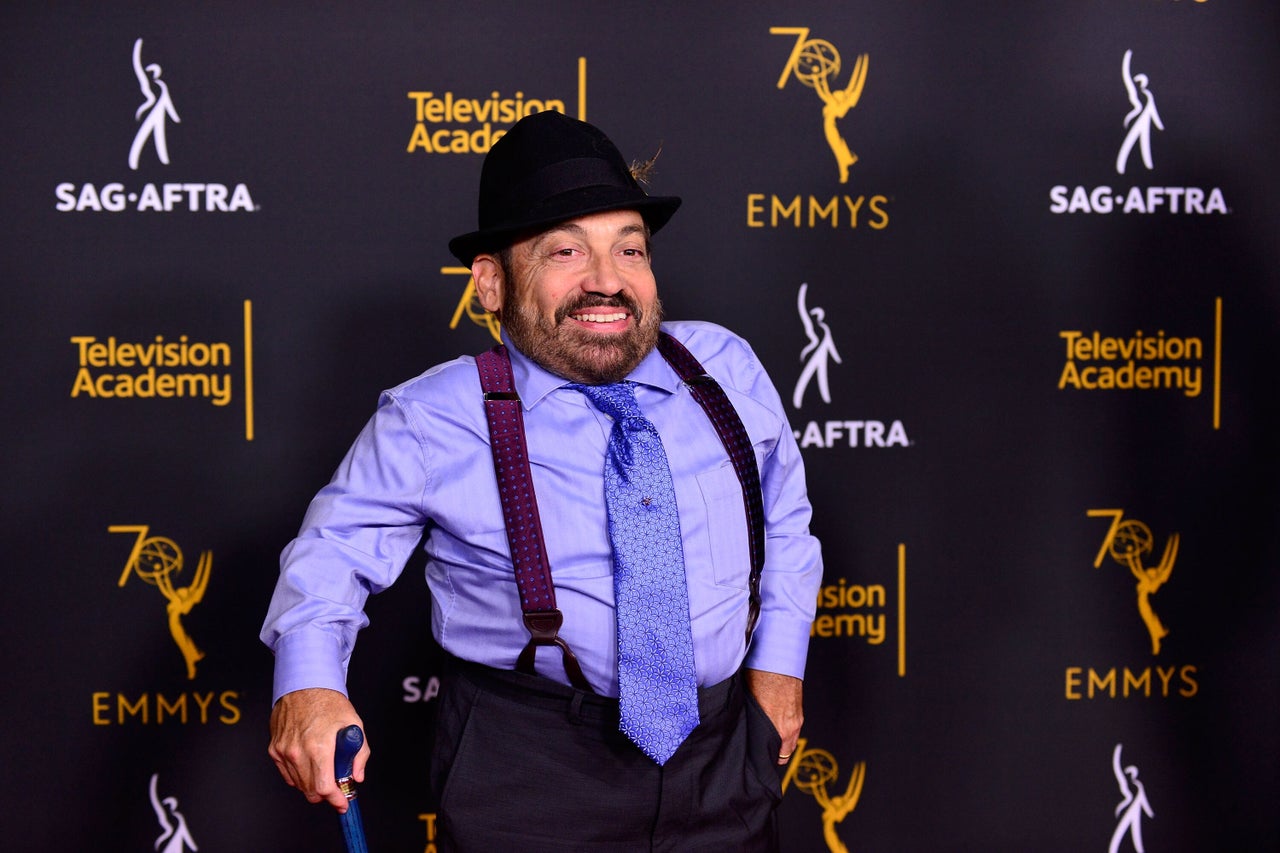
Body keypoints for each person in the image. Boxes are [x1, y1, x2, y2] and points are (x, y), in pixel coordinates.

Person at [262, 110, 824, 851]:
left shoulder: (723, 367)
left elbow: (784, 514)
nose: (607, 281)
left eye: (630, 248)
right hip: (531, 777)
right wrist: (308, 684)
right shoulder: (434, 418)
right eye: (566, 250)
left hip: (722, 760)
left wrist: (780, 667)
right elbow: (331, 553)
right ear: (491, 285)